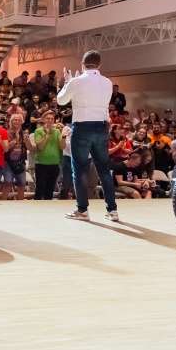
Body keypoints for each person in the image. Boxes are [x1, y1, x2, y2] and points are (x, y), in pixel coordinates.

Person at [57, 50, 118, 221]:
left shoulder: (76, 81)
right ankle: (112, 210)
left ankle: (82, 210)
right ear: (100, 65)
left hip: (82, 127)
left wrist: (67, 82)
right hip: (101, 127)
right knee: (104, 170)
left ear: (82, 65)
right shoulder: (107, 82)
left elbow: (61, 100)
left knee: (79, 170)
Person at [31, 111, 62, 200]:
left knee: (50, 190)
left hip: (54, 163)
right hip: (41, 163)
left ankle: (48, 207)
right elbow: (40, 147)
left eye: (52, 119)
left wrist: (63, 136)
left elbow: (62, 147)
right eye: (48, 118)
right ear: (44, 120)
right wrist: (47, 134)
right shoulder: (38, 131)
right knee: (40, 189)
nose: (50, 120)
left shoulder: (57, 131)